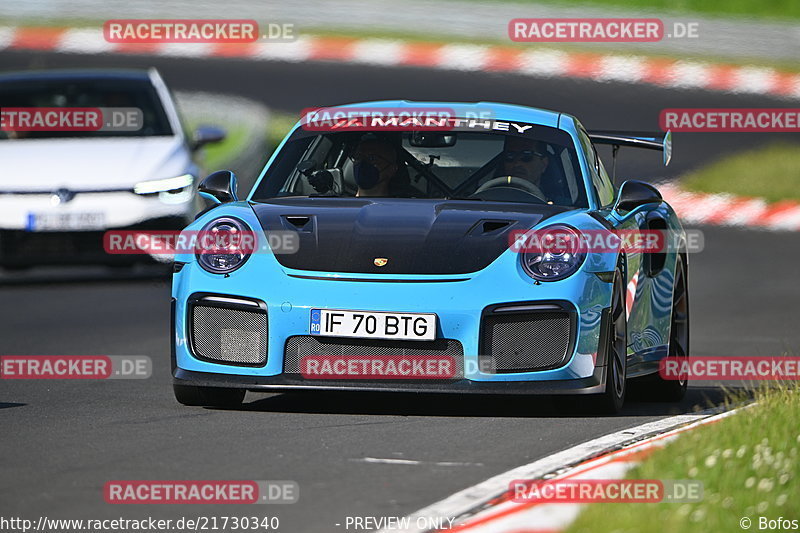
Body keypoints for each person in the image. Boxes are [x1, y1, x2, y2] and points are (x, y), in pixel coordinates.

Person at [349, 136, 417, 197]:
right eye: (358, 157)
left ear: (392, 169)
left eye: (372, 158)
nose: (362, 162)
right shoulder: (341, 204)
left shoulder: (405, 208)